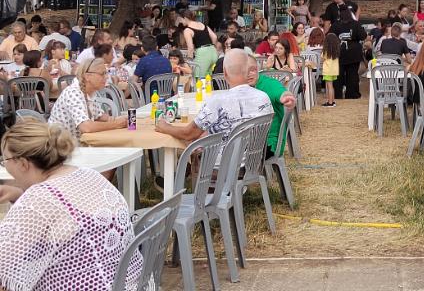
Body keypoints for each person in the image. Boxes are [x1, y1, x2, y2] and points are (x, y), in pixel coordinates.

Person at [0, 120, 142, 289]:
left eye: (4, 160)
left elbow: (5, 263)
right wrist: (18, 195)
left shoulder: (37, 200)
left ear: (23, 163)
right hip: (124, 282)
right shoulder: (88, 175)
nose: (5, 165)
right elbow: (65, 215)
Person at [157, 49, 272, 143]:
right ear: (247, 71)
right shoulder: (264, 97)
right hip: (253, 160)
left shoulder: (218, 101)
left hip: (221, 163)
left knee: (187, 147)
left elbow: (188, 134)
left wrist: (165, 126)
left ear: (225, 73)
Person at [48, 58, 128, 138]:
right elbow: (86, 127)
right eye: (102, 74)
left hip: (75, 142)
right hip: (59, 143)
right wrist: (116, 124)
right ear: (87, 76)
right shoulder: (73, 92)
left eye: (106, 73)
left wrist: (121, 119)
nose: (107, 77)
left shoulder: (90, 92)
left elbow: (99, 116)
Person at [246, 56, 297, 156]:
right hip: (246, 140)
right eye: (244, 71)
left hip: (268, 142)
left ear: (258, 68)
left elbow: (281, 92)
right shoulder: (239, 88)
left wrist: (287, 97)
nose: (249, 74)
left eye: (252, 69)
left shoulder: (269, 84)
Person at [330, 4, 366, 100]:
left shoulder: (336, 25)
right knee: (353, 74)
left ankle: (338, 94)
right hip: (354, 53)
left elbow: (330, 37)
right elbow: (363, 36)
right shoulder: (356, 24)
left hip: (340, 52)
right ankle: (352, 94)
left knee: (338, 75)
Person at [178, 10, 218, 78]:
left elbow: (190, 47)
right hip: (213, 52)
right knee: (209, 78)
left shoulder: (187, 30)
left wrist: (189, 61)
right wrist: (212, 47)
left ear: (185, 18)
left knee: (198, 78)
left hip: (202, 53)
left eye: (180, 20)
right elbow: (214, 37)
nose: (180, 22)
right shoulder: (202, 24)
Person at [321, 33, 340, 108]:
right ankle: (332, 101)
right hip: (334, 71)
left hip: (328, 70)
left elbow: (322, 58)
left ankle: (330, 102)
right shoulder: (336, 51)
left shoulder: (326, 51)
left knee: (329, 86)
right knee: (332, 86)